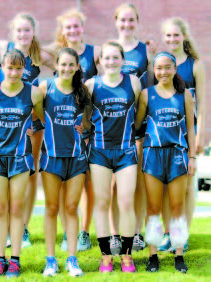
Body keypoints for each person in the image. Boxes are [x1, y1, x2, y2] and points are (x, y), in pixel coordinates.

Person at [0, 13, 55, 248]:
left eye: (27, 30)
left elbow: (65, 69)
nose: (23, 34)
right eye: (19, 30)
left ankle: (23, 226)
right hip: (7, 118)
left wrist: (49, 93)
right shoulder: (3, 47)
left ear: (34, 31)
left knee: (30, 171)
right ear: (12, 32)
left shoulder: (40, 55)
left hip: (31, 117)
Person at [0, 49, 45, 278]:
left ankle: (14, 260)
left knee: (16, 209)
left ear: (24, 68)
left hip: (20, 159)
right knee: (0, 210)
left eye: (18, 68)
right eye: (9, 67)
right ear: (2, 67)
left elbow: (45, 119)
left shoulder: (33, 94)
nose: (14, 72)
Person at [44, 8, 100, 252]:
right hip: (58, 133)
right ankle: (64, 239)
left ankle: (82, 233)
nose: (73, 30)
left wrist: (87, 126)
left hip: (82, 135)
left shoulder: (95, 53)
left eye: (76, 26)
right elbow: (27, 47)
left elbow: (115, 60)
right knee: (56, 201)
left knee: (82, 191)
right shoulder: (54, 59)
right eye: (68, 27)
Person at [135, 51, 196, 273]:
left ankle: (179, 255)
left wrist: (192, 156)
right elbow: (137, 124)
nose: (163, 72)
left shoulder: (185, 95)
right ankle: (153, 256)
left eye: (167, 67)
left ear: (174, 69)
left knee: (177, 207)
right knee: (153, 207)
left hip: (178, 155)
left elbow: (190, 127)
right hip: (153, 155)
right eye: (158, 68)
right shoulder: (145, 94)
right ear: (154, 70)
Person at [86, 41, 141, 273]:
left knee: (126, 201)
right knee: (101, 202)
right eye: (106, 58)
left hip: (126, 150)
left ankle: (126, 256)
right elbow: (85, 117)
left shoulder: (133, 82)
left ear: (122, 59)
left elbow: (138, 114)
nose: (111, 61)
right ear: (100, 61)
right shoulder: (91, 85)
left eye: (115, 57)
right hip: (99, 152)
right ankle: (106, 256)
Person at [39, 47, 91, 277]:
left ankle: (72, 258)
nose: (67, 68)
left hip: (77, 157)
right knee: (51, 207)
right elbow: (33, 115)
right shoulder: (44, 88)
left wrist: (85, 128)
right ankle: (50, 260)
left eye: (72, 64)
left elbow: (88, 123)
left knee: (71, 207)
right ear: (56, 65)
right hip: (51, 157)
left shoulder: (83, 91)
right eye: (63, 64)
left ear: (77, 67)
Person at [109, 3, 156, 254]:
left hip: (136, 127)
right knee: (114, 185)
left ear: (137, 22)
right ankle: (115, 234)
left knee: (135, 182)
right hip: (111, 129)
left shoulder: (145, 51)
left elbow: (148, 89)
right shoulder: (108, 51)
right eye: (122, 20)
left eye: (131, 20)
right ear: (116, 22)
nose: (126, 24)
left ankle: (136, 232)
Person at [158, 18, 205, 253]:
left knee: (187, 187)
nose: (172, 39)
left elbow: (203, 107)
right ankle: (168, 233)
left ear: (184, 36)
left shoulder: (195, 65)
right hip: (165, 133)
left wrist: (199, 138)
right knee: (167, 186)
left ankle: (182, 233)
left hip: (188, 134)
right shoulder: (161, 64)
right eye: (168, 36)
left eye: (176, 35)